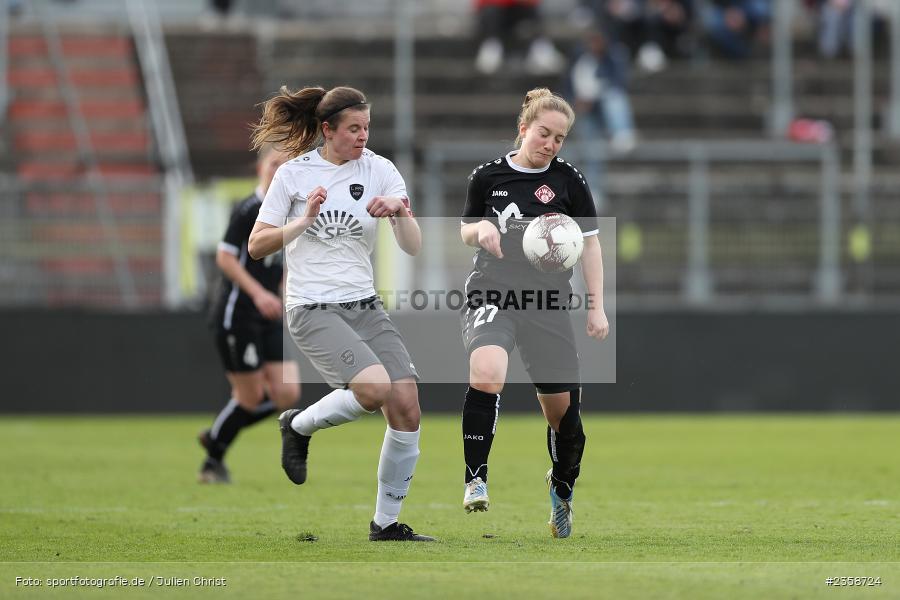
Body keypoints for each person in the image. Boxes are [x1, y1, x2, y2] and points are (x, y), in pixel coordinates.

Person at [247, 85, 434, 542]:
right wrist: (302, 222)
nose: (362, 136)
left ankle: (385, 525)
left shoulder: (381, 170)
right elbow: (256, 245)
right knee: (373, 389)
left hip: (365, 305)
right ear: (327, 130)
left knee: (406, 409)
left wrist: (399, 212)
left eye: (367, 127)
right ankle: (298, 424)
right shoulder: (292, 175)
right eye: (353, 128)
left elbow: (413, 246)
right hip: (312, 308)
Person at [459, 88, 609, 539]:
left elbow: (591, 243)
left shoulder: (569, 181)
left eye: (559, 138)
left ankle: (561, 490)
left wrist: (596, 306)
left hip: (547, 303)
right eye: (544, 133)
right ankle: (475, 478)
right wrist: (481, 228)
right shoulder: (487, 176)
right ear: (523, 129)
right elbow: (466, 229)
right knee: (487, 371)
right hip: (493, 292)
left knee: (566, 421)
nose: (550, 144)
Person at [199, 143, 300, 484]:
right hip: (238, 313)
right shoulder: (248, 209)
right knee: (250, 396)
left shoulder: (290, 213)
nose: (278, 171)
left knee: (286, 394)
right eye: (274, 164)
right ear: (260, 168)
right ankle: (212, 461)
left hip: (268, 312)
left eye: (286, 166)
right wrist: (258, 294)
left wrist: (286, 297)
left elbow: (284, 264)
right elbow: (225, 258)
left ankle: (217, 432)